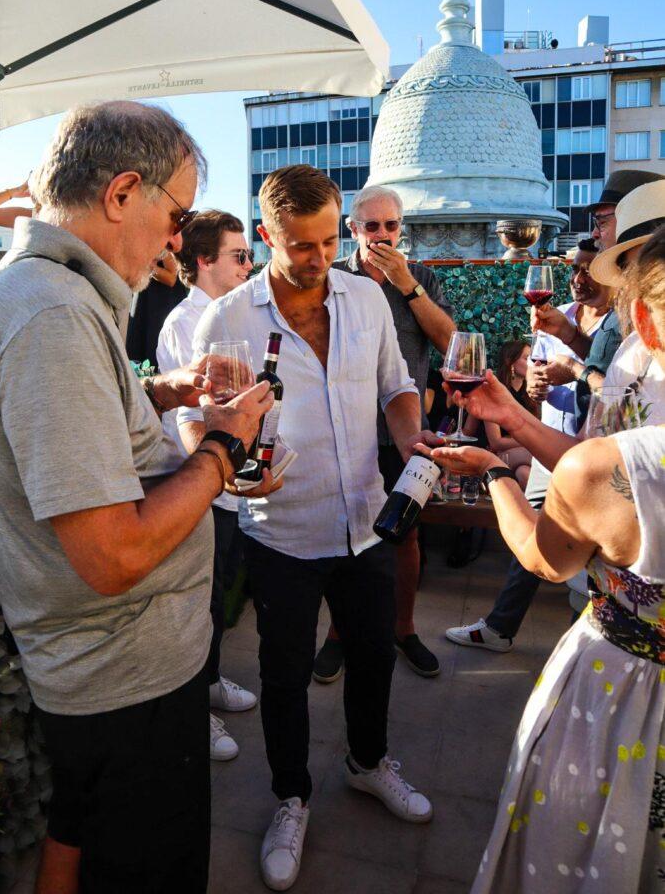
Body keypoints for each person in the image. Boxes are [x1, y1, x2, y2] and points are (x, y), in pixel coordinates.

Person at [0, 100, 280, 894]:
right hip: (124, 677)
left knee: (77, 832)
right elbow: (111, 556)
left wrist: (159, 393)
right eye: (174, 214)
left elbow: (65, 431)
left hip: (106, 668)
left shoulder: (47, 294)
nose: (176, 240)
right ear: (121, 194)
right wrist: (224, 450)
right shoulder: (51, 313)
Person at [178, 165, 435, 893]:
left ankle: (366, 762)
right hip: (279, 531)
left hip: (366, 520)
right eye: (301, 245)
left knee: (375, 658)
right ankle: (290, 798)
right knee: (284, 677)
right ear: (266, 237)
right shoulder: (225, 319)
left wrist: (412, 439)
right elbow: (199, 421)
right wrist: (234, 467)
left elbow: (397, 387)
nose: (320, 257)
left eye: (329, 239)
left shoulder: (368, 298)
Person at [423, 225, 665, 892]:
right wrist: (519, 420)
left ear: (642, 317)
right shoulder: (616, 463)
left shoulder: (616, 463)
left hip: (626, 701)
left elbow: (544, 558)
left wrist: (493, 471)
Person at [313, 185, 455, 682]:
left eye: (391, 225)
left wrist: (407, 286)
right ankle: (338, 633)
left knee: (406, 535)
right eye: (371, 226)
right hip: (345, 429)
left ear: (401, 228)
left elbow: (450, 344)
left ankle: (404, 628)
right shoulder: (333, 278)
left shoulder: (422, 278)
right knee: (344, 532)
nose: (382, 235)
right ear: (353, 229)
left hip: (405, 434)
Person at [446, 240, 611, 652]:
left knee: (585, 559)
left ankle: (576, 645)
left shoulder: (622, 327)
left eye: (588, 269)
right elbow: (538, 380)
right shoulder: (559, 318)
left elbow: (615, 393)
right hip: (548, 446)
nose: (577, 278)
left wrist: (572, 368)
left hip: (589, 455)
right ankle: (504, 628)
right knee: (535, 540)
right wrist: (534, 391)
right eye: (574, 268)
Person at [449, 178, 665, 476]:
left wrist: (495, 473)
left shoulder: (632, 336)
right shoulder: (632, 351)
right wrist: (510, 414)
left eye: (630, 268)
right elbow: (588, 457)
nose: (594, 232)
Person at [156, 211, 258, 763]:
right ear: (204, 262)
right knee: (201, 601)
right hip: (202, 483)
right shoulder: (184, 322)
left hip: (235, 479)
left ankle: (213, 679)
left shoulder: (236, 313)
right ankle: (196, 708)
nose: (249, 264)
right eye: (239, 256)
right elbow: (188, 415)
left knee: (220, 595)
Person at [533, 169, 663, 427]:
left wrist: (574, 368)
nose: (594, 233)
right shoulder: (628, 313)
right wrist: (569, 335)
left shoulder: (641, 311)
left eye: (602, 222)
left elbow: (624, 408)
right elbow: (612, 368)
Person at [485, 339, 537, 490]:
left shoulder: (530, 395)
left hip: (516, 458)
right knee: (538, 455)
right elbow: (496, 442)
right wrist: (530, 441)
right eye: (527, 359)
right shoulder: (494, 392)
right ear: (510, 362)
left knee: (524, 474)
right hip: (495, 456)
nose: (533, 364)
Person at [126, 248, 188, 368]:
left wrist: (147, 267)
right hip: (144, 297)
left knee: (153, 349)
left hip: (161, 302)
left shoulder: (160, 238)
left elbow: (172, 278)